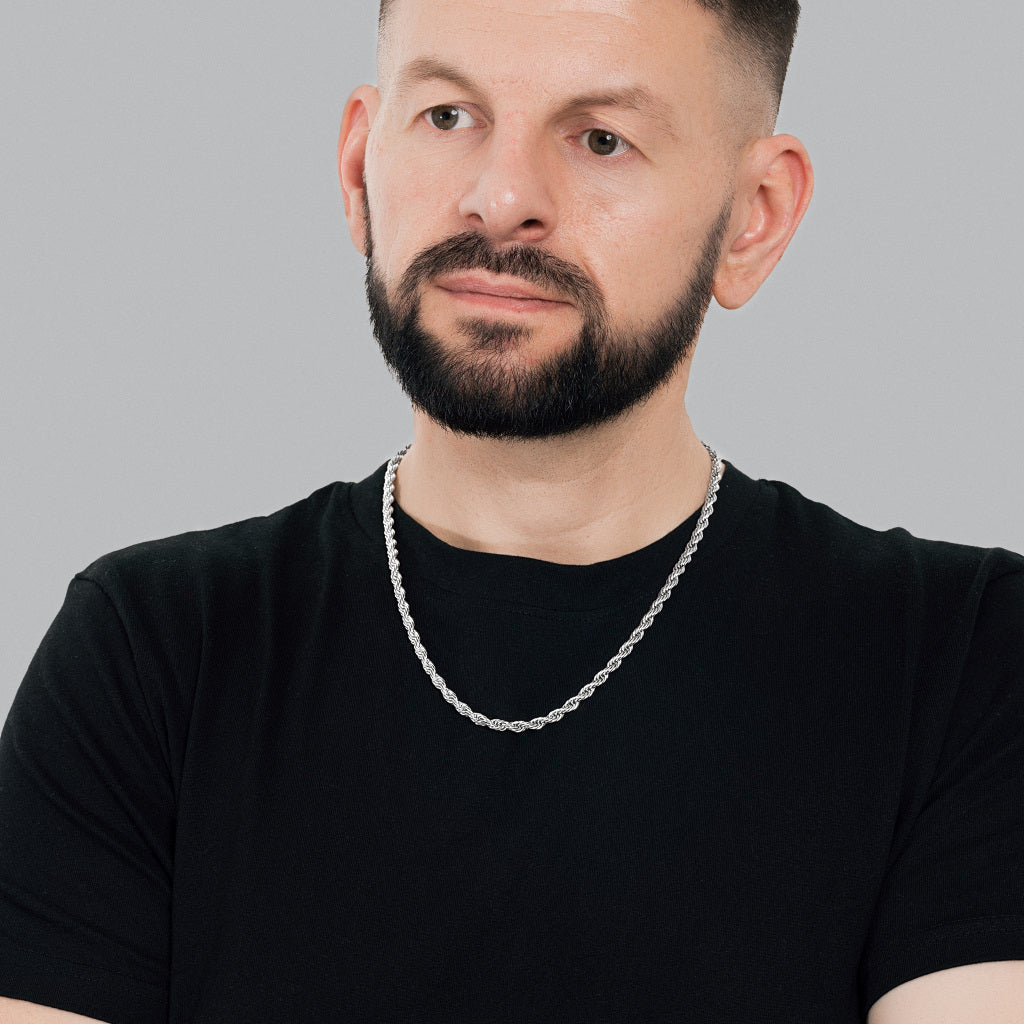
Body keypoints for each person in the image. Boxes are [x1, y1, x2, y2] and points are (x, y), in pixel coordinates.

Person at [1, 0, 1022, 1020]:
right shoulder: (153, 648)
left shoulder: (964, 652)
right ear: (360, 162)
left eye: (601, 138)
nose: (500, 200)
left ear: (751, 217)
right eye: (449, 116)